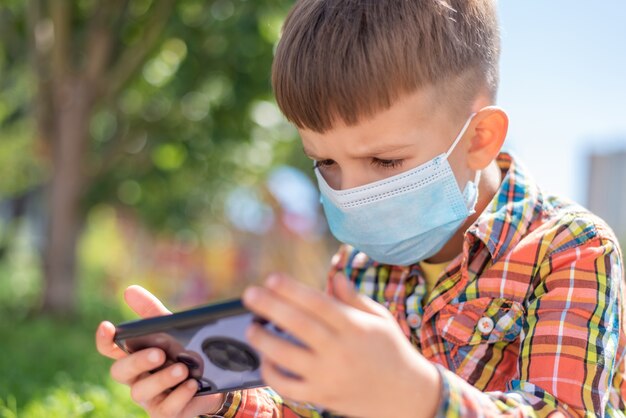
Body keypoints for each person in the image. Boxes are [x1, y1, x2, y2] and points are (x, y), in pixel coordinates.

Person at [96, 1, 626, 416]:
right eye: (325, 162)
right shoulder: (355, 269)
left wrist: (415, 395)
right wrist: (218, 401)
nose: (350, 191)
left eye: (385, 160)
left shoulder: (571, 250)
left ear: (480, 138)